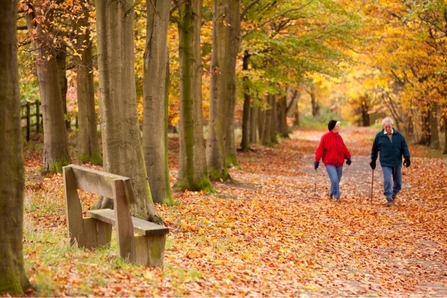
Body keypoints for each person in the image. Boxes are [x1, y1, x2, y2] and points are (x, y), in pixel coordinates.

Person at [370, 117, 411, 207]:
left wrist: (407, 158)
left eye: (389, 126)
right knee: (388, 180)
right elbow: (374, 149)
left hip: (397, 162)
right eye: (386, 127)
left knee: (398, 184)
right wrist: (373, 160)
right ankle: (389, 197)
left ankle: (393, 194)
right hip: (385, 162)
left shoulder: (398, 135)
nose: (388, 129)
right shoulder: (379, 136)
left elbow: (404, 146)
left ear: (392, 125)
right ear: (383, 126)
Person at [314, 120, 352, 202]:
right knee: (334, 179)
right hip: (329, 162)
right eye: (337, 126)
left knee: (337, 179)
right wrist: (317, 160)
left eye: (339, 126)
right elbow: (320, 149)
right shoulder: (325, 137)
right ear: (333, 127)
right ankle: (337, 196)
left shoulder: (339, 137)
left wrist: (348, 157)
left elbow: (344, 148)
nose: (339, 127)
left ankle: (331, 191)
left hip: (339, 162)